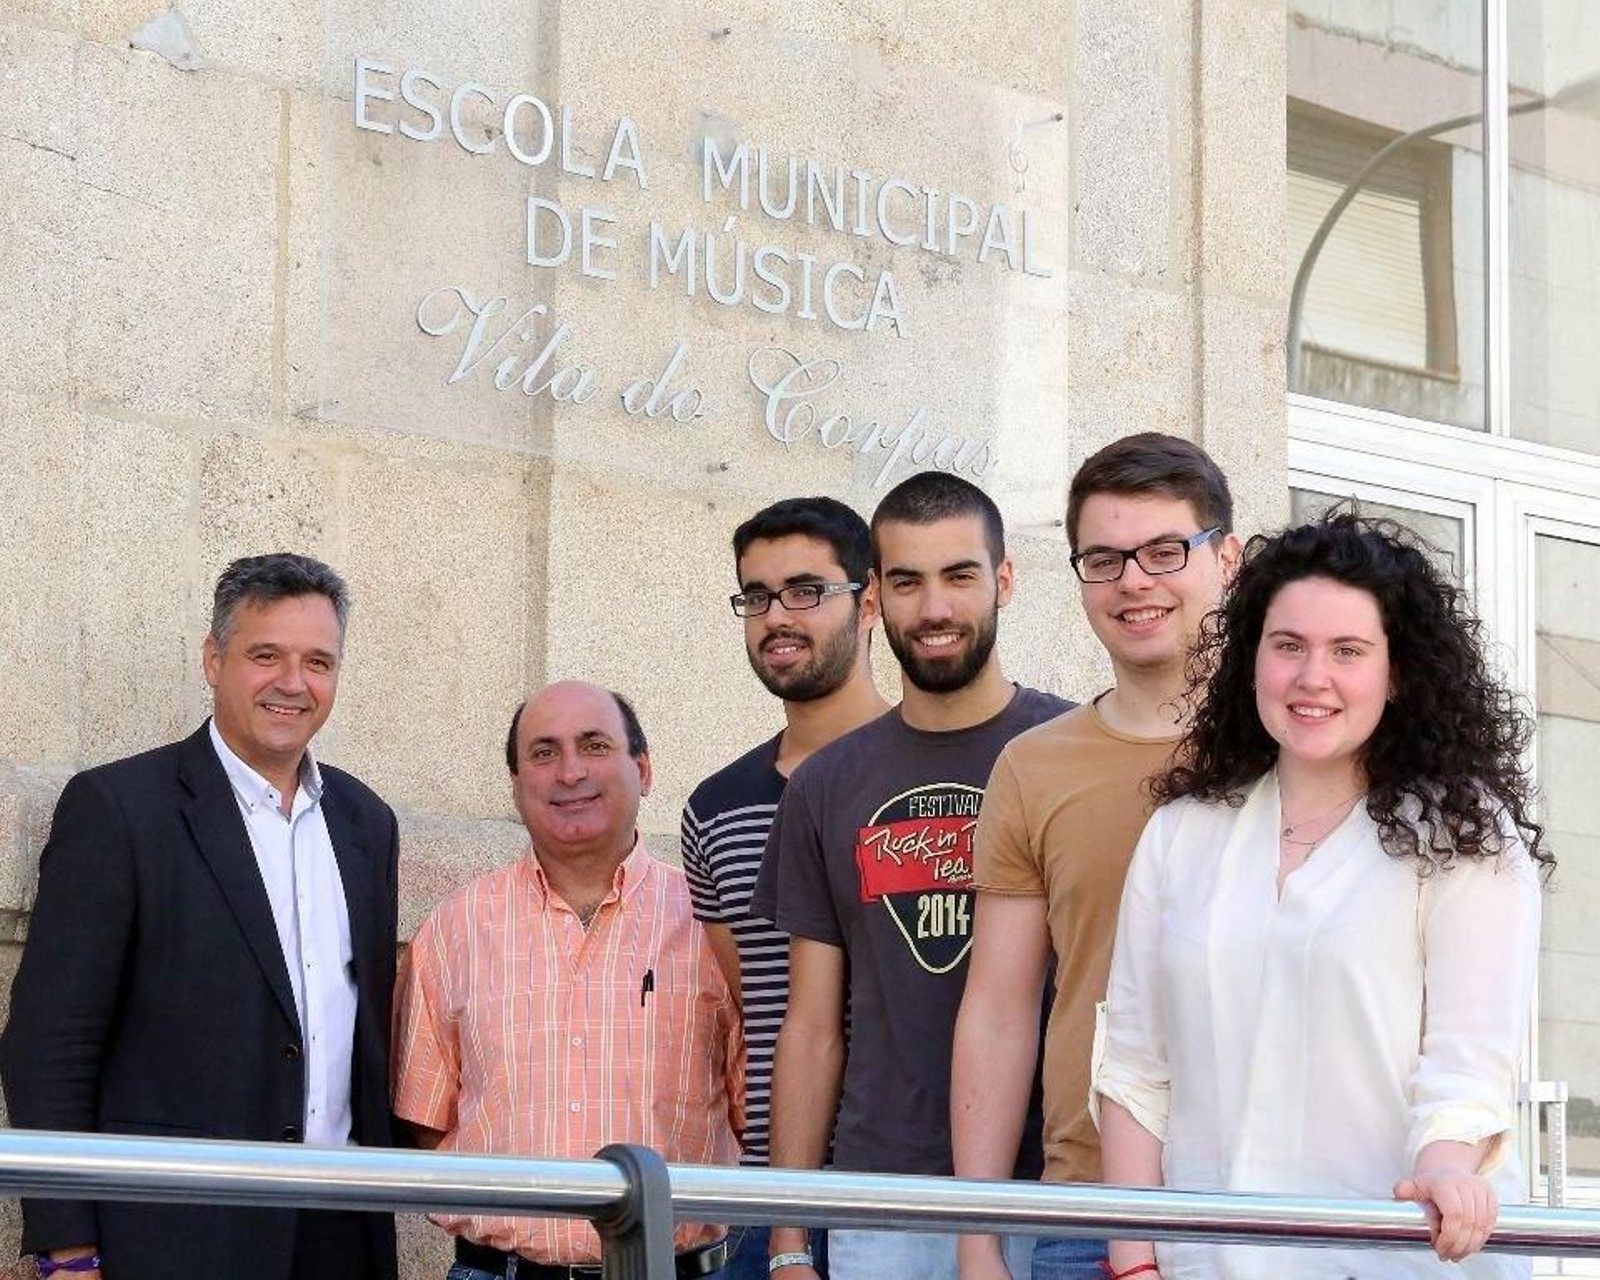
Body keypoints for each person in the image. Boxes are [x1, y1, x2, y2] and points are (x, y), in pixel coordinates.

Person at [1094, 512, 1548, 1279]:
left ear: (1397, 671)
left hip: (1394, 1261)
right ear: (1252, 660)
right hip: (1203, 1264)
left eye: (1349, 651)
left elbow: (1467, 1065)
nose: (1313, 678)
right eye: (1289, 646)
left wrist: (1444, 1168)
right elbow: (1136, 1070)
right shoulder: (1183, 834)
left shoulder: (1464, 836)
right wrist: (1134, 1262)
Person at [0, 553, 400, 1280]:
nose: (292, 682)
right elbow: (48, 1043)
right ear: (214, 660)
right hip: (170, 1238)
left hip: (340, 1233)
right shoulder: (120, 810)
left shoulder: (366, 823)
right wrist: (66, 1247)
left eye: (318, 661)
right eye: (265, 655)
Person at [753, 472, 1072, 1280]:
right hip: (884, 1194)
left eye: (959, 576)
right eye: (906, 581)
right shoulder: (826, 785)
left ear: (1004, 581)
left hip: (1061, 1190)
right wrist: (788, 1241)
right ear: (873, 601)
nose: (934, 608)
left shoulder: (1074, 749)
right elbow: (812, 1027)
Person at [951, 434, 1240, 1280]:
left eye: (1163, 551)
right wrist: (978, 1238)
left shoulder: (1296, 748)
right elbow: (1000, 1010)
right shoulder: (1035, 765)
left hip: (1264, 1194)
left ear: (1227, 557)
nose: (1134, 582)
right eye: (1105, 559)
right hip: (1085, 1203)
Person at [393, 681, 742, 1280]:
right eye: (544, 752)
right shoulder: (457, 928)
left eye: (595, 745)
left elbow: (752, 1113)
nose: (570, 771)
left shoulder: (710, 924)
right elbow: (423, 1121)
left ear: (644, 770)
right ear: (516, 783)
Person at [683, 497, 889, 1280]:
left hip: (906, 1190)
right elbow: (760, 1005)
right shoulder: (715, 806)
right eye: (757, 596)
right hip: (769, 1208)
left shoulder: (933, 779)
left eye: (806, 590)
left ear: (868, 602)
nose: (778, 616)